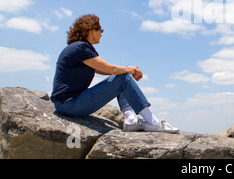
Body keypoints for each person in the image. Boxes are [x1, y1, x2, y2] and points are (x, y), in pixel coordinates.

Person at [50, 14, 179, 133]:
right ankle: (153, 122)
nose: (101, 34)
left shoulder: (77, 48)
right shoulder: (81, 48)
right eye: (100, 30)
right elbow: (112, 69)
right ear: (90, 31)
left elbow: (104, 70)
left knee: (121, 77)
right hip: (70, 104)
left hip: (65, 104)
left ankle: (131, 121)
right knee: (122, 78)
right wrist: (130, 70)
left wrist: (126, 69)